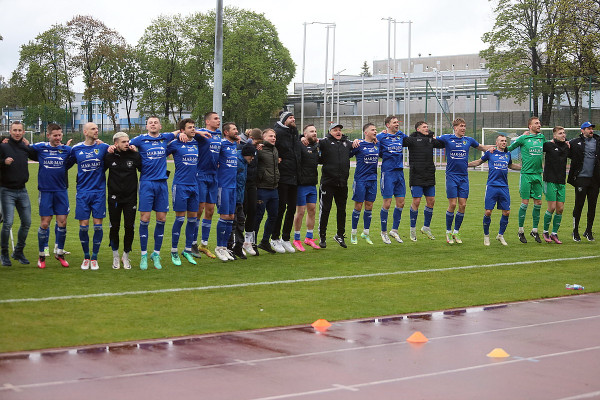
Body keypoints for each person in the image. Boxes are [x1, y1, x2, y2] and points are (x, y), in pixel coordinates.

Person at [128, 116, 177, 270]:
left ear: (160, 126)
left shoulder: (165, 138)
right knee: (145, 218)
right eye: (150, 123)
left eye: (156, 122)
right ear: (147, 126)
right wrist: (130, 147)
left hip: (162, 184)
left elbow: (178, 132)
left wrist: (181, 133)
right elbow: (125, 143)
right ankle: (143, 255)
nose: (153, 124)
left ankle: (156, 254)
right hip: (146, 183)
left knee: (161, 218)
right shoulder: (140, 139)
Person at [437, 117, 493, 244]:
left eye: (464, 126)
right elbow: (433, 139)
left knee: (462, 205)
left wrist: (496, 147)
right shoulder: (447, 138)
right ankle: (448, 232)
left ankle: (456, 231)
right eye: (461, 126)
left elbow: (482, 147)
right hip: (451, 176)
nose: (463, 128)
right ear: (455, 127)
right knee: (452, 204)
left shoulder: (469, 140)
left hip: (464, 177)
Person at [67, 122, 110, 270]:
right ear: (85, 132)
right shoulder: (76, 149)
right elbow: (65, 165)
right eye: (93, 129)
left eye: (97, 128)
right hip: (83, 193)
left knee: (98, 226)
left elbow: (116, 154)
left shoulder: (103, 147)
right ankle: (86, 257)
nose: (96, 131)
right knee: (84, 227)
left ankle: (94, 258)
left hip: (99, 192)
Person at [30, 123, 71, 269]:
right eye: (55, 135)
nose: (58, 138)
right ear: (48, 135)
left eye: (60, 135)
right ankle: (42, 256)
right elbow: (25, 148)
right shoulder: (40, 147)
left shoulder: (67, 150)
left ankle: (59, 253)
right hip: (46, 191)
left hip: (61, 191)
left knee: (62, 222)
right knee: (45, 223)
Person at [468, 135, 521, 246]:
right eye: (501, 141)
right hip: (492, 186)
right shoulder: (490, 153)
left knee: (506, 212)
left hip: (504, 187)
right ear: (496, 143)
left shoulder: (507, 154)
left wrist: (523, 167)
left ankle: (500, 235)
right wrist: (466, 164)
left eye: (505, 141)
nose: (504, 142)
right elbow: (479, 162)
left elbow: (511, 165)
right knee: (488, 212)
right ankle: (486, 236)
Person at [0, 121, 36, 266]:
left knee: (27, 222)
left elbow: (36, 156)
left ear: (23, 132)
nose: (17, 133)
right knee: (7, 223)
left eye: (19, 130)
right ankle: (4, 254)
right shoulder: (3, 146)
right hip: (6, 190)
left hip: (22, 190)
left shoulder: (24, 147)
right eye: (14, 130)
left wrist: (29, 145)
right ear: (10, 131)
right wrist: (4, 162)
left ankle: (18, 252)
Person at [104, 131, 141, 270]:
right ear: (116, 143)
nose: (127, 144)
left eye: (128, 141)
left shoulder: (134, 155)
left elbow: (143, 169)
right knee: (114, 227)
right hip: (114, 198)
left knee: (129, 227)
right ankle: (115, 255)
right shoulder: (109, 156)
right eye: (123, 142)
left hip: (130, 198)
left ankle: (126, 255)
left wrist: (137, 152)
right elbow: (99, 171)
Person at [403, 121, 445, 241]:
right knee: (416, 201)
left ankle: (426, 227)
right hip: (416, 175)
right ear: (418, 129)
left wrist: (435, 137)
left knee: (431, 201)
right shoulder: (411, 140)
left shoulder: (431, 140)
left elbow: (442, 144)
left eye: (427, 126)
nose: (427, 128)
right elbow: (399, 140)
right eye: (424, 127)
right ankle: (412, 230)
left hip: (429, 175)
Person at [507, 116, 546, 244]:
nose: (539, 125)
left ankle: (534, 230)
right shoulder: (523, 138)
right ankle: (520, 231)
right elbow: (509, 149)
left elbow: (550, 147)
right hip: (526, 175)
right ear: (530, 126)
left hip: (538, 175)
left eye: (539, 123)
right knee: (525, 203)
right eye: (536, 123)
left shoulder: (542, 138)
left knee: (538, 203)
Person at [166, 118, 200, 266]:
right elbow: (161, 151)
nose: (193, 129)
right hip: (180, 185)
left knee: (193, 220)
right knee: (180, 219)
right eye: (189, 127)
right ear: (182, 130)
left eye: (194, 127)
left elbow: (206, 133)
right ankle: (174, 251)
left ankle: (187, 250)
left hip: (194, 186)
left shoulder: (197, 143)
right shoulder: (175, 143)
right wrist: (176, 135)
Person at [190, 112, 221, 260]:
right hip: (201, 175)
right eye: (215, 118)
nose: (218, 120)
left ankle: (204, 244)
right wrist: (198, 132)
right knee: (199, 209)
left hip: (214, 176)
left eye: (219, 118)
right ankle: (192, 243)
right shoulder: (201, 133)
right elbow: (186, 132)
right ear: (207, 121)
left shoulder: (218, 134)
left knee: (210, 210)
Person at [272, 111, 302, 253]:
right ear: (284, 120)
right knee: (280, 208)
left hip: (294, 177)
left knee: (291, 208)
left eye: (293, 117)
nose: (293, 119)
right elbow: (269, 145)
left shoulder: (294, 133)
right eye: (290, 117)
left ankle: (286, 238)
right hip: (282, 177)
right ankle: (274, 238)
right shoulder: (277, 132)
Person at [318, 123, 352, 248]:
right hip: (328, 183)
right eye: (335, 130)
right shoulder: (325, 142)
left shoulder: (347, 143)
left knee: (342, 210)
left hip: (342, 183)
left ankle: (340, 235)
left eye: (339, 130)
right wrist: (302, 138)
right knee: (325, 210)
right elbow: (311, 140)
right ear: (330, 132)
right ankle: (322, 236)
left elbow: (360, 144)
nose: (338, 132)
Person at [376, 116, 407, 244]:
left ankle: (394, 230)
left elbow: (412, 140)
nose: (397, 124)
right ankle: (383, 232)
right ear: (387, 125)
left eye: (397, 122)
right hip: (388, 173)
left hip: (400, 172)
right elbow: (369, 140)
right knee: (387, 203)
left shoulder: (401, 136)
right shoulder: (381, 136)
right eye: (394, 122)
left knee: (401, 203)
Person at [568, 121, 600, 242]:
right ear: (582, 130)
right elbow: (565, 151)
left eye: (592, 128)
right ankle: (575, 231)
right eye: (588, 128)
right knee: (579, 205)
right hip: (581, 179)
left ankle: (588, 231)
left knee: (592, 206)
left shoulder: (598, 141)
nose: (591, 130)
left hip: (595, 179)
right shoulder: (575, 142)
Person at [213, 122, 240, 262]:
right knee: (224, 216)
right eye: (234, 129)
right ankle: (219, 247)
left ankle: (224, 247)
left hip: (233, 186)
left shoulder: (234, 145)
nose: (236, 131)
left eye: (236, 129)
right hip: (222, 186)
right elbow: (211, 157)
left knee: (230, 217)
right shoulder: (221, 144)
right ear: (226, 132)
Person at [292, 124, 320, 251]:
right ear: (305, 134)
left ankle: (309, 237)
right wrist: (300, 138)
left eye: (315, 131)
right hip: (301, 184)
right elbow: (292, 141)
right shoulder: (299, 144)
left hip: (312, 183)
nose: (314, 133)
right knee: (300, 211)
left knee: (312, 210)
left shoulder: (316, 145)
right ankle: (296, 239)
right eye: (311, 131)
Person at [349, 123, 379, 245]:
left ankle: (366, 233)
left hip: (373, 180)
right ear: (366, 133)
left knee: (369, 206)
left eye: (375, 129)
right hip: (360, 180)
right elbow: (348, 153)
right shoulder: (359, 144)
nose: (375, 131)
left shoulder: (377, 144)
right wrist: (355, 141)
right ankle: (353, 233)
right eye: (372, 130)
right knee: (358, 206)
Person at [542, 126, 570, 244]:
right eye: (560, 133)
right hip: (550, 180)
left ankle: (554, 233)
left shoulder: (567, 147)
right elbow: (536, 147)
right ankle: (545, 231)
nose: (563, 135)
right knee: (552, 207)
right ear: (554, 136)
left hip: (561, 181)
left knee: (560, 209)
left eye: (564, 133)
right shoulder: (548, 145)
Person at [254, 129, 280, 254]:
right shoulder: (259, 149)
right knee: (258, 216)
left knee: (274, 216)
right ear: (263, 137)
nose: (273, 138)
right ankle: (252, 243)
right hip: (262, 188)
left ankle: (265, 241)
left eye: (274, 136)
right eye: (270, 136)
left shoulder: (275, 149)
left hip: (274, 188)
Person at [228, 143, 256, 259]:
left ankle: (238, 247)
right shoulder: (236, 161)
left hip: (240, 197)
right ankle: (229, 248)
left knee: (241, 221)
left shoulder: (244, 162)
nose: (252, 158)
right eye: (251, 156)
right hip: (232, 197)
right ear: (246, 154)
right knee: (233, 222)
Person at [242, 129, 262, 256]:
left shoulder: (256, 149)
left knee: (253, 210)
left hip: (252, 185)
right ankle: (238, 242)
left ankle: (247, 241)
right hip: (243, 184)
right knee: (242, 212)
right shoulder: (243, 147)